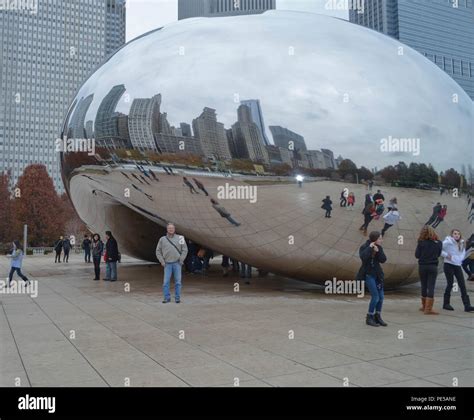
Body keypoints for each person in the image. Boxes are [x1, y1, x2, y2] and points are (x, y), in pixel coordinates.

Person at [357, 231, 387, 327]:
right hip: (369, 275)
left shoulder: (379, 247)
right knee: (375, 297)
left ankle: (377, 316)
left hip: (378, 275)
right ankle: (369, 317)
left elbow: (383, 260)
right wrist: (370, 248)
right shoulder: (364, 247)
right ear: (375, 239)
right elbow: (363, 257)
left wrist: (378, 252)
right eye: (380, 238)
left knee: (381, 297)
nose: (381, 240)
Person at [441, 229, 474, 312]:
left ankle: (467, 305)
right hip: (448, 265)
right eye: (455, 233)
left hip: (457, 265)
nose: (457, 235)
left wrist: (460, 259)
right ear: (452, 235)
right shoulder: (447, 242)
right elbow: (439, 249)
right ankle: (446, 303)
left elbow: (462, 253)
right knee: (450, 283)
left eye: (458, 234)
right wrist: (446, 255)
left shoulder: (462, 243)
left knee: (462, 284)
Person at [156, 223, 188, 303]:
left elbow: (185, 249)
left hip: (177, 263)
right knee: (166, 282)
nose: (171, 229)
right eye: (169, 228)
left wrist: (181, 260)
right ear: (167, 229)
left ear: (174, 229)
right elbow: (158, 251)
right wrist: (162, 261)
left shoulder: (180, 238)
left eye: (172, 228)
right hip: (167, 264)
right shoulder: (162, 239)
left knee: (178, 282)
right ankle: (167, 298)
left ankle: (177, 298)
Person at [415, 226, 443, 314]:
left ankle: (424, 306)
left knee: (424, 285)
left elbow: (417, 255)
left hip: (422, 266)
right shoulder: (438, 243)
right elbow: (438, 254)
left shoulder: (421, 242)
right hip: (433, 266)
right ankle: (428, 309)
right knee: (431, 286)